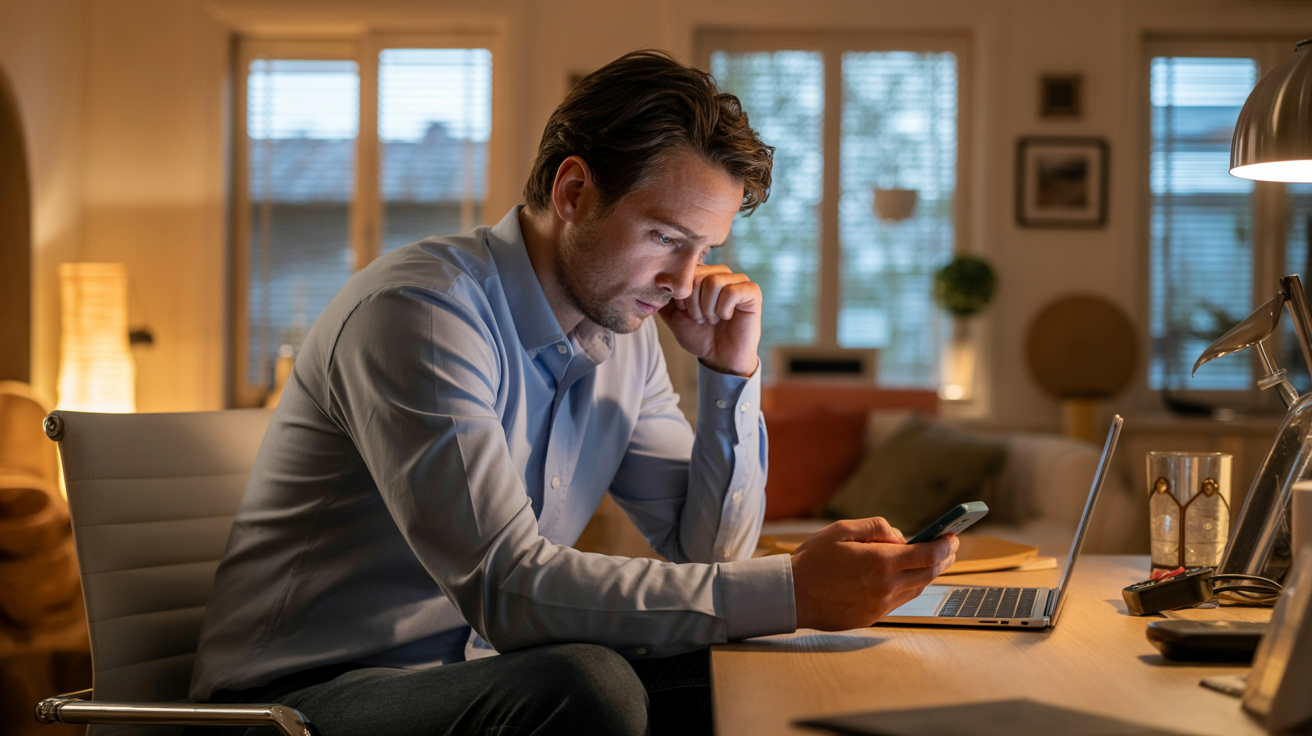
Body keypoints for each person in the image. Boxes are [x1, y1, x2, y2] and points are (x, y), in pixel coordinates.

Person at [189, 50, 958, 736]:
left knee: (764, 667)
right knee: (587, 686)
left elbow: (707, 560)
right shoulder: (421, 313)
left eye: (704, 250)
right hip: (295, 703)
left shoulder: (628, 334)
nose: (686, 281)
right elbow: (509, 587)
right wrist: (792, 589)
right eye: (665, 237)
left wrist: (728, 380)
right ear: (574, 192)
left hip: (475, 674)